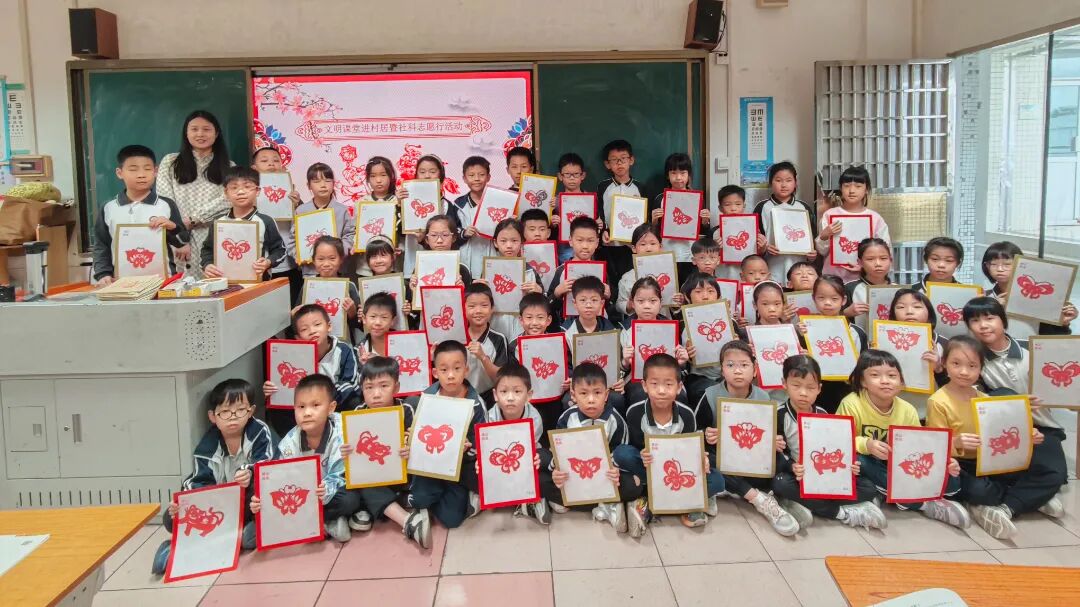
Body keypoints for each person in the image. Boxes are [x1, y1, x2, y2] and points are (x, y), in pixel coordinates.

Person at [925, 336, 1053, 539]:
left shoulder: (984, 399)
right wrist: (956, 442)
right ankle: (1020, 497)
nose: (964, 372)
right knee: (981, 491)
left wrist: (1028, 435)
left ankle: (1018, 497)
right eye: (956, 364)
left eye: (972, 366)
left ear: (980, 370)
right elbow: (935, 445)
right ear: (945, 364)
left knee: (1040, 469)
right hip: (960, 464)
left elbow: (1005, 430)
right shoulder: (938, 401)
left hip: (989, 461)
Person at [150, 379, 276, 574]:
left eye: (240, 410)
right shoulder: (207, 446)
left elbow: (267, 462)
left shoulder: (259, 431)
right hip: (220, 507)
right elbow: (197, 481)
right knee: (170, 518)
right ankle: (178, 547)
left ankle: (229, 536)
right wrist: (182, 505)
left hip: (249, 503)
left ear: (251, 411)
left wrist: (250, 471)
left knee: (259, 500)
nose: (232, 417)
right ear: (213, 416)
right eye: (225, 412)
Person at [837, 350, 969, 528]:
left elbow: (919, 447)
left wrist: (943, 463)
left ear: (901, 382)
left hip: (898, 467)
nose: (885, 381)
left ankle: (888, 493)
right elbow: (840, 441)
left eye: (892, 376)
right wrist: (866, 444)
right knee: (860, 461)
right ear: (862, 381)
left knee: (953, 480)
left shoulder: (908, 410)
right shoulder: (851, 403)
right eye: (875, 375)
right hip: (865, 464)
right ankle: (923, 504)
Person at [962, 296, 1069, 517]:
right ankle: (1029, 497)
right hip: (1004, 430)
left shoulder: (1032, 349)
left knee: (1056, 474)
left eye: (989, 318)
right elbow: (971, 396)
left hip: (1042, 427)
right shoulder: (973, 359)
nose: (983, 325)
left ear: (1003, 320)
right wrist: (1016, 405)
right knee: (1002, 395)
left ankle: (1012, 504)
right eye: (975, 321)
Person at [769, 356, 887, 530]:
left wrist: (849, 466)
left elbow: (835, 448)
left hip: (823, 473)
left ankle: (801, 502)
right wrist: (792, 466)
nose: (803, 393)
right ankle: (840, 512)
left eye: (810, 387)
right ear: (784, 384)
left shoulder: (823, 413)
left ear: (819, 389)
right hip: (796, 474)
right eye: (796, 386)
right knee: (780, 483)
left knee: (868, 488)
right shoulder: (780, 415)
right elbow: (780, 454)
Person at [616, 354, 724, 535]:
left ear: (679, 387)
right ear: (644, 385)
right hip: (649, 468)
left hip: (677, 473)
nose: (661, 391)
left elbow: (692, 450)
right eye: (654, 384)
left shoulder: (687, 415)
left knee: (718, 480)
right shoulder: (635, 412)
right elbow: (632, 448)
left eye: (668, 384)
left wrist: (701, 459)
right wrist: (641, 454)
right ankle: (683, 501)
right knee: (622, 454)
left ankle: (648, 500)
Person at [253, 374, 360, 542]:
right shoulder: (289, 443)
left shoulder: (342, 431)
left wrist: (325, 489)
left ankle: (315, 523)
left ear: (331, 408)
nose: (307, 413)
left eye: (315, 405)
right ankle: (326, 523)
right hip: (302, 495)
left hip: (330, 490)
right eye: (301, 407)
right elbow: (278, 477)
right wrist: (262, 499)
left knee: (350, 500)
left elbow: (341, 473)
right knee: (260, 507)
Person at [341, 356, 431, 548]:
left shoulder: (406, 410)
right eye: (369, 388)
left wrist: (410, 450)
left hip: (402, 473)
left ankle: (374, 509)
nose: (376, 394)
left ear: (396, 388)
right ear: (362, 389)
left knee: (425, 487)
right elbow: (355, 462)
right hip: (374, 476)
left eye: (384, 386)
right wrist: (347, 453)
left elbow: (420, 448)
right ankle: (407, 521)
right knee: (361, 482)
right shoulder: (357, 414)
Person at [405, 341, 488, 528]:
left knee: (451, 520)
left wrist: (467, 449)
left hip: (459, 467)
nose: (451, 375)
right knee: (419, 500)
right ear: (435, 373)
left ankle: (463, 494)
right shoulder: (427, 396)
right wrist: (413, 438)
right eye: (444, 370)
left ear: (466, 370)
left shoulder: (476, 404)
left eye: (457, 369)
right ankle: (427, 494)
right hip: (430, 464)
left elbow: (481, 444)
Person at [554, 362, 640, 533]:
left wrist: (615, 471)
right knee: (543, 478)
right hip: (576, 475)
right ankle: (607, 505)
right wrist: (558, 472)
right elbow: (560, 453)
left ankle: (591, 503)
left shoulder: (616, 421)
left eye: (597, 393)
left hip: (604, 477)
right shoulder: (567, 418)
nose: (591, 400)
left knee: (635, 486)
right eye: (583, 393)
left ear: (606, 395)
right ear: (573, 395)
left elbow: (620, 453)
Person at [92, 145, 190, 286]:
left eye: (147, 169)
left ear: (155, 171)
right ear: (120, 173)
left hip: (163, 282)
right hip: (121, 283)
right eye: (133, 169)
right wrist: (103, 273)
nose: (141, 175)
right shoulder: (109, 207)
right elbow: (101, 245)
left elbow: (182, 241)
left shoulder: (166, 204)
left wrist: (173, 227)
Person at [156, 110, 233, 279]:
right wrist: (180, 237)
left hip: (212, 238)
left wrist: (192, 220)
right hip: (176, 237)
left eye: (206, 129)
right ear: (186, 133)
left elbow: (228, 200)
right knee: (181, 287)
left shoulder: (229, 166)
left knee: (215, 286)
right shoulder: (170, 162)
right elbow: (165, 200)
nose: (200, 134)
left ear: (216, 133)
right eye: (194, 129)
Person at [264, 304, 360, 430]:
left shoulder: (343, 350)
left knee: (354, 401)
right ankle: (299, 437)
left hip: (334, 403)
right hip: (306, 406)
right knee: (277, 410)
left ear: (329, 326)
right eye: (304, 329)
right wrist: (273, 390)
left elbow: (350, 383)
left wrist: (323, 399)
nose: (312, 331)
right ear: (297, 338)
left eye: (317, 324)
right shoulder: (291, 354)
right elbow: (287, 387)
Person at [485, 363, 552, 524]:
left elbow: (527, 452)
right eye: (504, 391)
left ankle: (532, 499)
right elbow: (491, 449)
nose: (510, 398)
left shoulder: (534, 418)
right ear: (495, 395)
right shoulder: (490, 416)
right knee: (478, 468)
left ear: (529, 395)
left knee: (546, 459)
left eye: (517, 391)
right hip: (501, 458)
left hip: (527, 457)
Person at [201, 167, 287, 280]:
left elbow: (280, 250)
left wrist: (268, 262)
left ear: (257, 191)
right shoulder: (218, 222)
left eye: (247, 187)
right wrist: (207, 265)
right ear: (226, 193)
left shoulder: (266, 221)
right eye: (234, 187)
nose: (240, 192)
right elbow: (207, 249)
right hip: (223, 283)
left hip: (259, 283)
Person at [797, 275, 867, 412]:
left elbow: (864, 368)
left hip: (847, 392)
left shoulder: (857, 333)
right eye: (821, 298)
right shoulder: (804, 331)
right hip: (815, 392)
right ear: (813, 299)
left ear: (843, 300)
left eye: (834, 299)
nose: (827, 303)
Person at [980, 241, 1076, 341]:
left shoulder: (1039, 298)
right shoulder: (983, 298)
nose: (1000, 269)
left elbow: (1054, 338)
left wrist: (1063, 323)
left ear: (1020, 264)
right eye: (994, 264)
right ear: (987, 266)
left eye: (1007, 264)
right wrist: (993, 308)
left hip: (1030, 348)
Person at [815, 166, 891, 282]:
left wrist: (864, 267)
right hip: (833, 278)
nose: (851, 191)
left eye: (858, 186)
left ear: (866, 189)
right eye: (846, 186)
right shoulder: (830, 215)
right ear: (841, 188)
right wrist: (824, 236)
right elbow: (822, 251)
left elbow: (885, 252)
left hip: (865, 278)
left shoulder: (875, 218)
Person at [508, 293, 566, 436]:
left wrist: (567, 381)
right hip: (528, 399)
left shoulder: (557, 342)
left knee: (552, 430)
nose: (534, 323)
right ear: (521, 320)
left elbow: (565, 368)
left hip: (554, 396)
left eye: (540, 317)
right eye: (529, 317)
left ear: (548, 320)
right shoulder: (514, 346)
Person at [252, 146, 303, 301]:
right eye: (264, 161)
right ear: (254, 168)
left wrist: (298, 205)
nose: (271, 164)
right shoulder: (248, 194)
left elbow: (305, 225)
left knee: (291, 303)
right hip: (259, 264)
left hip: (289, 261)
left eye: (276, 160)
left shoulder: (291, 192)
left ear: (283, 166)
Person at [754, 162, 818, 283]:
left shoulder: (803, 207)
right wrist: (764, 248)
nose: (783, 185)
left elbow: (812, 240)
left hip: (800, 270)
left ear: (795, 183)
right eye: (778, 180)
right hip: (772, 267)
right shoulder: (762, 207)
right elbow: (755, 240)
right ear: (771, 183)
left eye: (788, 180)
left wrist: (812, 255)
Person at [596, 140, 647, 286]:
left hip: (632, 246)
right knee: (611, 282)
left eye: (623, 158)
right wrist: (603, 231)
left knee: (631, 281)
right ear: (607, 164)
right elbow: (599, 213)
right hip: (609, 243)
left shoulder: (640, 187)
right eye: (614, 160)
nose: (619, 163)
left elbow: (645, 217)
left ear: (631, 160)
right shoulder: (603, 187)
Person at [651, 153, 710, 280]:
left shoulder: (696, 198)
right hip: (667, 251)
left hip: (690, 253)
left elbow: (702, 230)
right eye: (673, 173)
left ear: (689, 175)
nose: (678, 177)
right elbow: (653, 229)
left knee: (690, 286)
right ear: (668, 175)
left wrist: (705, 221)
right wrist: (654, 220)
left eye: (683, 173)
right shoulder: (660, 198)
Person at [484, 218, 544, 340]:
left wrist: (539, 292)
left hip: (521, 324)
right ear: (495, 243)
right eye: (503, 241)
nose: (509, 245)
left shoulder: (529, 271)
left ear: (522, 242)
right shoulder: (488, 269)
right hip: (495, 321)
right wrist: (480, 288)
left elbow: (542, 303)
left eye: (514, 240)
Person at [295, 162, 355, 278]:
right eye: (316, 181)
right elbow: (294, 239)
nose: (323, 185)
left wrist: (338, 253)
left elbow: (350, 235)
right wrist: (299, 255)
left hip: (337, 269)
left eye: (327, 181)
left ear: (333, 184)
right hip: (310, 269)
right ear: (308, 185)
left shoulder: (342, 210)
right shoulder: (301, 211)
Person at [396, 155, 452, 276]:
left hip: (440, 265)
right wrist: (400, 205)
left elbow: (452, 236)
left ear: (441, 177)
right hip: (412, 262)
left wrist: (426, 239)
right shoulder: (406, 200)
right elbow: (399, 231)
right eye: (422, 172)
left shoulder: (446, 205)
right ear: (416, 176)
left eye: (432, 171)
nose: (427, 176)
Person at [547, 216, 609, 321]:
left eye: (590, 241)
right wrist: (557, 293)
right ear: (570, 241)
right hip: (568, 324)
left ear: (597, 242)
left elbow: (609, 306)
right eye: (580, 240)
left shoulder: (601, 270)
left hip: (597, 324)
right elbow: (548, 307)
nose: (585, 246)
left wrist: (608, 296)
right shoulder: (561, 270)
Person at [305, 236, 360, 340]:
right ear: (313, 260)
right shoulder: (307, 286)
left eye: (332, 258)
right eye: (321, 259)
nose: (326, 264)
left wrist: (352, 313)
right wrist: (294, 314)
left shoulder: (349, 286)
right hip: (314, 341)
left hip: (343, 341)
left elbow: (359, 325)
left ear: (341, 259)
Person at [450, 156, 495, 277]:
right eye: (471, 175)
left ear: (488, 177)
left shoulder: (497, 201)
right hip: (467, 255)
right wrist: (464, 233)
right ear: (464, 178)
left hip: (492, 252)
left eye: (481, 174)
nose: (476, 179)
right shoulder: (459, 204)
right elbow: (452, 230)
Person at [463, 283, 510, 398]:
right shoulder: (457, 337)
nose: (478, 311)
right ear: (463, 308)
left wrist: (483, 357)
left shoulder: (499, 339)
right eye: (472, 306)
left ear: (492, 308)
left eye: (484, 305)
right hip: (460, 397)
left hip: (489, 398)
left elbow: (501, 378)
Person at [356, 156, 399, 277]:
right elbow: (356, 230)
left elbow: (402, 232)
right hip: (365, 266)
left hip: (392, 265)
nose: (378, 180)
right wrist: (356, 245)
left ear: (391, 176)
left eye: (383, 175)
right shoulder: (361, 202)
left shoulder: (398, 201)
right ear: (368, 179)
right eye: (373, 176)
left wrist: (400, 247)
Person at [714, 184, 767, 281]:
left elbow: (757, 254)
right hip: (725, 276)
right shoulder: (716, 232)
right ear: (720, 208)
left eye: (738, 204)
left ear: (744, 206)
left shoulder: (753, 229)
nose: (733, 208)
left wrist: (762, 247)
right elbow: (712, 259)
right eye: (727, 204)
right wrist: (716, 250)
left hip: (748, 277)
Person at [842, 238, 895, 331]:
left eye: (883, 258)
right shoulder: (849, 288)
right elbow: (831, 320)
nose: (878, 264)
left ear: (890, 260)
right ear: (860, 262)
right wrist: (845, 313)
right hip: (859, 339)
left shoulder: (899, 290)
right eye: (870, 259)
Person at [614, 223, 663, 316]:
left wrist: (676, 303)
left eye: (653, 243)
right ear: (634, 248)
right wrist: (628, 305)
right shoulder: (627, 277)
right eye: (643, 244)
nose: (648, 248)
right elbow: (619, 304)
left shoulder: (669, 274)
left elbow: (673, 305)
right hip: (636, 321)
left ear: (660, 247)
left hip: (663, 321)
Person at [555, 152, 589, 263]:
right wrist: (553, 222)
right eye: (567, 174)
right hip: (564, 248)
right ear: (560, 176)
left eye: (576, 174)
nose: (572, 178)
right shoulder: (555, 201)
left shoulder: (590, 199)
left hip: (586, 246)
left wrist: (598, 223)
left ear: (582, 175)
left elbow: (594, 223)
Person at [355, 292, 396, 362]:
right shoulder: (360, 350)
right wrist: (365, 366)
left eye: (384, 317)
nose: (378, 322)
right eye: (373, 316)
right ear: (364, 319)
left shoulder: (403, 343)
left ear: (392, 320)